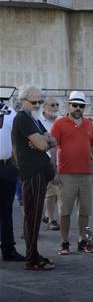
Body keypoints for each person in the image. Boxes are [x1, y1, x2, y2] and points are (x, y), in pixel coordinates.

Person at [10, 86, 56, 270]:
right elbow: (43, 144)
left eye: (39, 101)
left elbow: (52, 140)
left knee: (35, 216)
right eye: (34, 102)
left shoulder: (33, 119)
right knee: (33, 216)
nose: (38, 105)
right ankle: (32, 258)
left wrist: (42, 141)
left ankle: (34, 254)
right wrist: (41, 141)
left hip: (38, 172)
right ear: (23, 101)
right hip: (32, 173)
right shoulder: (22, 118)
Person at [51, 90, 93, 255]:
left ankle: (83, 241)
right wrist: (54, 172)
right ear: (69, 105)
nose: (78, 108)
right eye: (75, 105)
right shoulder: (59, 124)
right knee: (65, 211)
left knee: (85, 211)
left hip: (86, 175)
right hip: (65, 175)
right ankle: (64, 242)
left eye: (81, 106)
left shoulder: (88, 124)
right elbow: (52, 148)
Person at [0, 95, 26, 262]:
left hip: (7, 166)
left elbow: (18, 138)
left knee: (5, 211)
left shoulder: (10, 113)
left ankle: (8, 249)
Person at [39, 97, 61, 231]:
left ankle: (47, 214)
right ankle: (52, 220)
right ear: (45, 106)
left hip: (61, 159)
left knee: (57, 191)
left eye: (57, 104)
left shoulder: (61, 120)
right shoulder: (38, 121)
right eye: (52, 104)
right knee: (50, 191)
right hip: (44, 160)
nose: (55, 107)